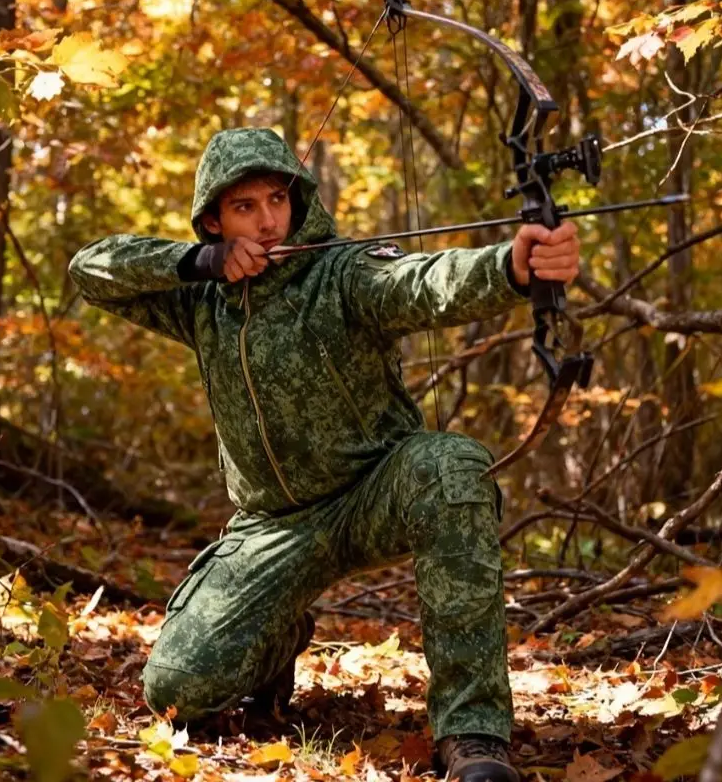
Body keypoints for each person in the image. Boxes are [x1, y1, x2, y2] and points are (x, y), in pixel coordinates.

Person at [69, 127, 581, 782]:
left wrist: (511, 268)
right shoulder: (201, 301)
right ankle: (278, 635)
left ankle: (472, 734)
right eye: (245, 207)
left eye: (277, 200)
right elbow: (90, 268)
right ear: (214, 221)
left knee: (450, 465)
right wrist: (199, 263)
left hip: (376, 490)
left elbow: (419, 282)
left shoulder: (342, 272)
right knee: (175, 689)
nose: (267, 221)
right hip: (272, 527)